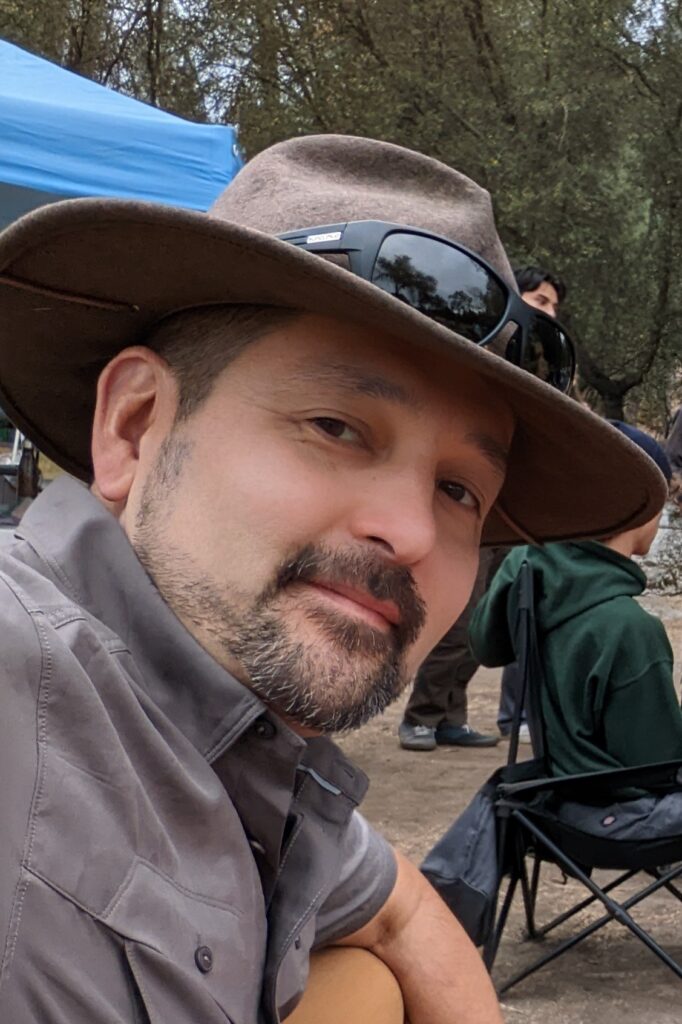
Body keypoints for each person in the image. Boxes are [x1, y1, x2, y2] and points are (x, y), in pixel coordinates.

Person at [0, 134, 666, 1024]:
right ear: (135, 425)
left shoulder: (244, 739)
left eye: (460, 490)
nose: (413, 533)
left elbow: (399, 907)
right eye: (337, 428)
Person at [399, 263, 567, 751]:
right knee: (457, 618)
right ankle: (420, 717)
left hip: (507, 513)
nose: (550, 313)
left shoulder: (545, 367)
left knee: (487, 620)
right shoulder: (484, 351)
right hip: (468, 508)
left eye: (554, 306)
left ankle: (450, 716)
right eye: (540, 301)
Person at [469, 421, 682, 779]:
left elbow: (485, 646)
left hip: (559, 795)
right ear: (641, 503)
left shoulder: (533, 570)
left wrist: (529, 554)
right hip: (620, 806)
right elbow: (659, 766)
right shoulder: (630, 629)